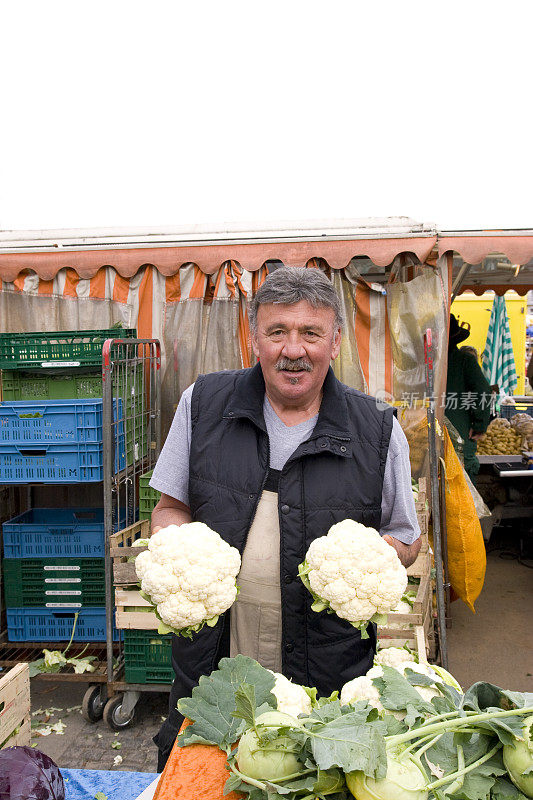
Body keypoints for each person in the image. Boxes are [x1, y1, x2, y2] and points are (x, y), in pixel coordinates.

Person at [149, 266, 421, 770]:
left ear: (335, 342)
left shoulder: (378, 430)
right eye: (277, 331)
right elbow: (169, 508)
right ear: (254, 337)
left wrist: (375, 561)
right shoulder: (202, 405)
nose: (292, 350)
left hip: (329, 681)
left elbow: (407, 538)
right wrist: (174, 546)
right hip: (215, 671)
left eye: (310, 333)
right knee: (206, 780)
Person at [446, 314, 492, 481]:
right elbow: (484, 391)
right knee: (463, 491)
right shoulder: (464, 360)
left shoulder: (423, 362)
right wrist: (479, 425)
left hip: (426, 438)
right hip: (459, 437)